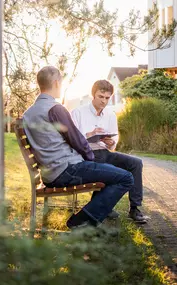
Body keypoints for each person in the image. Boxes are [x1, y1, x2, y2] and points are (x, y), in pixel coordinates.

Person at [23, 66, 134, 229]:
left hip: (49, 174)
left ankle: (88, 220)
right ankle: (81, 222)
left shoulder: (28, 113)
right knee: (126, 177)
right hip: (66, 170)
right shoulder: (55, 109)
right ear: (55, 83)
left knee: (112, 173)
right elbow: (77, 140)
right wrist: (90, 159)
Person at [71, 80, 148, 223]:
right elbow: (73, 139)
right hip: (87, 155)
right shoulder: (78, 113)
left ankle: (134, 208)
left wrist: (112, 143)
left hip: (105, 152)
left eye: (107, 98)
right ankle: (104, 206)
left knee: (136, 163)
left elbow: (115, 138)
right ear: (92, 95)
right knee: (109, 169)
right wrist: (89, 135)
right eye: (101, 96)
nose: (104, 101)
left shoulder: (110, 114)